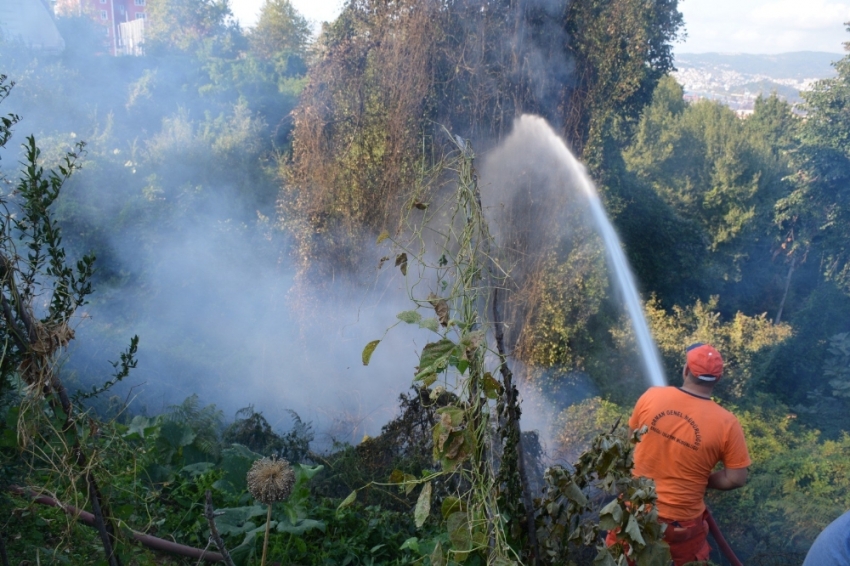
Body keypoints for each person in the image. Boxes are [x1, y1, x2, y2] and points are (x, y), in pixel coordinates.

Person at [607, 342, 752, 566]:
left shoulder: (651, 397)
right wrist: (701, 480)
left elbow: (631, 442)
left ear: (686, 370)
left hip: (633, 512)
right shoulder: (728, 423)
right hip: (680, 526)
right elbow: (736, 478)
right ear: (718, 380)